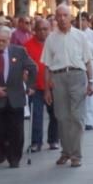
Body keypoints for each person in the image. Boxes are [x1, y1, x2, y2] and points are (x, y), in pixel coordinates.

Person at [42, 4, 93, 167]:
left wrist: (90, 82)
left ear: (71, 17)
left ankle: (76, 155)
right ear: (55, 18)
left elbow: (87, 61)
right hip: (58, 77)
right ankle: (66, 151)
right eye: (59, 16)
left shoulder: (80, 36)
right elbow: (47, 65)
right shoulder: (51, 38)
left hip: (77, 75)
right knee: (62, 117)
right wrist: (47, 89)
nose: (62, 18)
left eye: (65, 15)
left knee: (78, 117)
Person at [0, 25, 37, 167]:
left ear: (9, 40)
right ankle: (3, 147)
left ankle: (14, 158)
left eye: (4, 41)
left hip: (15, 95)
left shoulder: (19, 52)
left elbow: (33, 68)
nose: (0, 44)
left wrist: (29, 86)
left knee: (16, 128)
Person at [25, 18, 59, 152]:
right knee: (36, 115)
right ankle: (36, 142)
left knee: (55, 115)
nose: (43, 32)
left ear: (50, 29)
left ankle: (53, 140)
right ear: (35, 30)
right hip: (36, 87)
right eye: (39, 29)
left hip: (53, 85)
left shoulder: (55, 44)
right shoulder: (27, 46)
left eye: (45, 29)